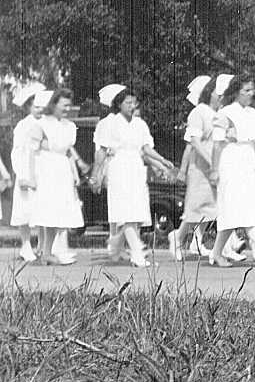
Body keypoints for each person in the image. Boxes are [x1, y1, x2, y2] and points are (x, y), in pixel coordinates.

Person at [90, 84, 176, 267]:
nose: (132, 106)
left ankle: (114, 248)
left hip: (135, 169)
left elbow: (146, 148)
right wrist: (96, 174)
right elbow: (102, 151)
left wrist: (162, 160)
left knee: (135, 213)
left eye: (134, 102)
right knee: (126, 213)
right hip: (118, 168)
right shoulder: (109, 123)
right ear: (119, 104)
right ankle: (138, 254)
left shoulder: (140, 124)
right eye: (128, 102)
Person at [207, 76, 255, 266]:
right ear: (236, 91)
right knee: (232, 209)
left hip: (249, 162)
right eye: (246, 90)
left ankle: (218, 253)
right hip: (229, 161)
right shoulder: (224, 114)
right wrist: (214, 170)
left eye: (252, 90)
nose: (251, 94)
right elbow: (217, 145)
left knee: (249, 209)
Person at [23, 89, 89, 265]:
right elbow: (32, 151)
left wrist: (75, 173)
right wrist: (31, 177)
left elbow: (67, 152)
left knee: (56, 213)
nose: (67, 108)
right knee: (48, 212)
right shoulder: (41, 124)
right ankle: (45, 252)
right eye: (64, 104)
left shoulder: (68, 126)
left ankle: (46, 252)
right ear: (54, 104)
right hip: (46, 169)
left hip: (62, 170)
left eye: (69, 105)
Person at [168, 75, 223, 262]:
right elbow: (194, 143)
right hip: (200, 168)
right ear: (209, 92)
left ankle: (199, 243)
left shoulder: (218, 113)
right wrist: (184, 170)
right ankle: (178, 238)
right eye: (218, 91)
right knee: (196, 207)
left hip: (215, 168)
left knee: (213, 208)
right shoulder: (198, 112)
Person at [10, 83, 51, 261]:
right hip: (26, 168)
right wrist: (22, 174)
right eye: (36, 106)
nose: (39, 109)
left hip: (42, 168)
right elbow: (17, 151)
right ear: (28, 107)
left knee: (42, 209)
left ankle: (42, 245)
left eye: (42, 106)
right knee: (24, 210)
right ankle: (26, 245)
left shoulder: (47, 123)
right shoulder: (22, 125)